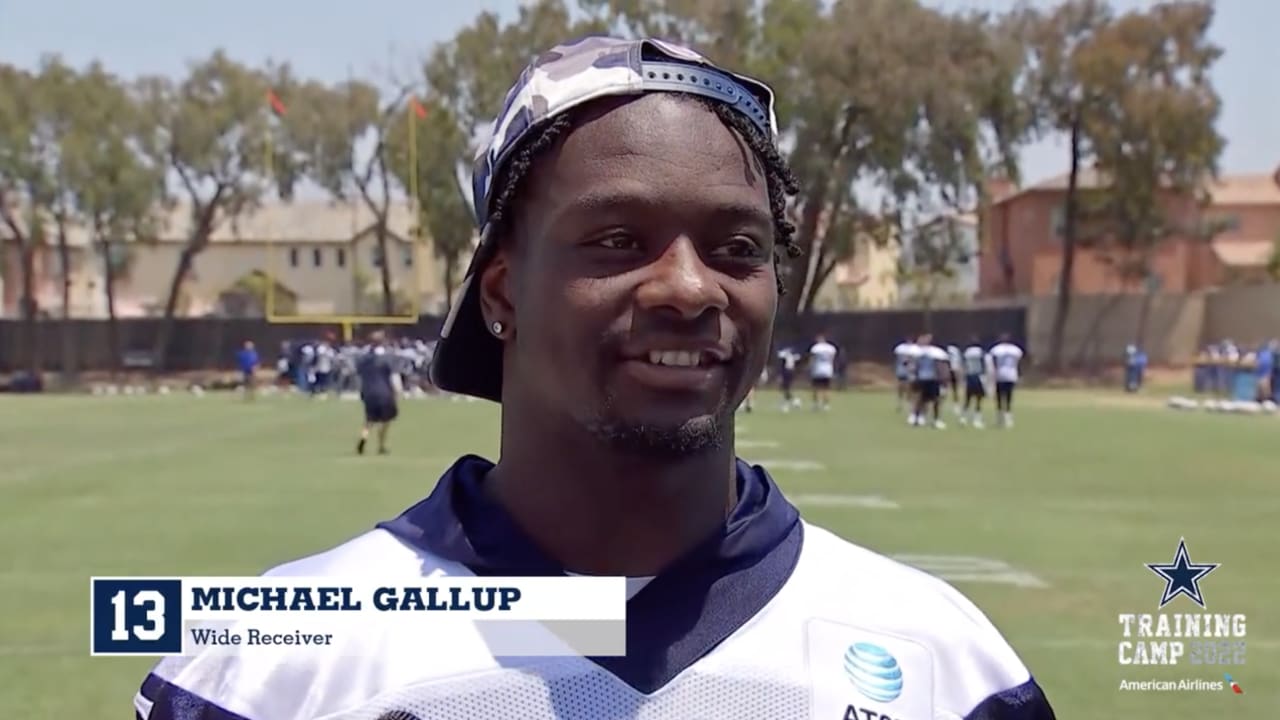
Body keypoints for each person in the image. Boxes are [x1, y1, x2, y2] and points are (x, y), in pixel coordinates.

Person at [133, 36, 1054, 720]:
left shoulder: (951, 667)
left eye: (739, 248)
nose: (690, 287)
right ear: (503, 290)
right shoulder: (262, 672)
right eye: (618, 240)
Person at [355, 331, 402, 455]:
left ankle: (364, 437)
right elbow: (394, 376)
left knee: (369, 420)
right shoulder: (387, 358)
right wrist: (398, 391)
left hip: (368, 392)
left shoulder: (364, 359)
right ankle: (381, 445)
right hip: (384, 393)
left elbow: (359, 375)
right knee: (385, 421)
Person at [910, 332, 950, 429]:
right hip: (925, 378)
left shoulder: (935, 352)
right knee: (921, 400)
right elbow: (915, 365)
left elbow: (941, 367)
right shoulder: (918, 352)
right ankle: (918, 418)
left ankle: (933, 420)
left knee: (933, 400)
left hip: (931, 379)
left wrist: (943, 379)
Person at [989, 333, 1025, 428]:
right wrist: (1020, 374)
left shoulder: (996, 350)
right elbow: (1019, 364)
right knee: (1009, 397)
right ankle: (1008, 418)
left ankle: (1000, 418)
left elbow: (994, 363)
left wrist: (993, 374)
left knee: (999, 397)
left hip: (1000, 375)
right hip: (1011, 375)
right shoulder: (1016, 350)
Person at [961, 335, 991, 428]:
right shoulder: (982, 353)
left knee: (968, 398)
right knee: (978, 399)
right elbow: (985, 365)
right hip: (979, 376)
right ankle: (977, 419)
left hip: (969, 376)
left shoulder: (966, 352)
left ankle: (963, 418)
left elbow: (963, 364)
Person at [808, 332, 838, 411]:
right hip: (828, 370)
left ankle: (816, 404)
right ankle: (826, 405)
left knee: (816, 387)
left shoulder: (815, 348)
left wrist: (810, 368)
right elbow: (832, 359)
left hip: (817, 369)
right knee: (826, 388)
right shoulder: (831, 348)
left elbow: (812, 359)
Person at [892, 335, 918, 415]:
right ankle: (900, 402)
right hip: (901, 370)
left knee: (909, 387)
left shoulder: (915, 348)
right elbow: (899, 359)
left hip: (910, 371)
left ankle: (909, 404)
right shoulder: (901, 348)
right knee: (900, 386)